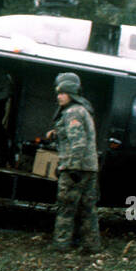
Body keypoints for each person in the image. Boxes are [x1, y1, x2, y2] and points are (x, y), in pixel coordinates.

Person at [44, 71, 101, 254]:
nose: (59, 96)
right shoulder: (83, 109)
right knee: (87, 209)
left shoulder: (72, 112)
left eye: (63, 93)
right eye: (58, 93)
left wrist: (73, 167)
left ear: (71, 94)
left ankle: (61, 245)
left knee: (66, 208)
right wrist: (56, 133)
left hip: (75, 168)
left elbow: (78, 142)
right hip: (90, 168)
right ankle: (91, 246)